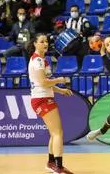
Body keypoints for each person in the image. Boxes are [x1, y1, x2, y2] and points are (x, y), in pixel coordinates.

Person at [27, 33, 73, 174]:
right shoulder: (38, 61)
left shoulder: (42, 60)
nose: (45, 43)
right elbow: (43, 82)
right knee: (58, 133)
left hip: (43, 97)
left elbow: (46, 84)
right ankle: (59, 167)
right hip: (42, 99)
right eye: (41, 41)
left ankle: (51, 163)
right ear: (35, 44)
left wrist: (60, 90)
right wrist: (59, 79)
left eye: (46, 41)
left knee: (54, 133)